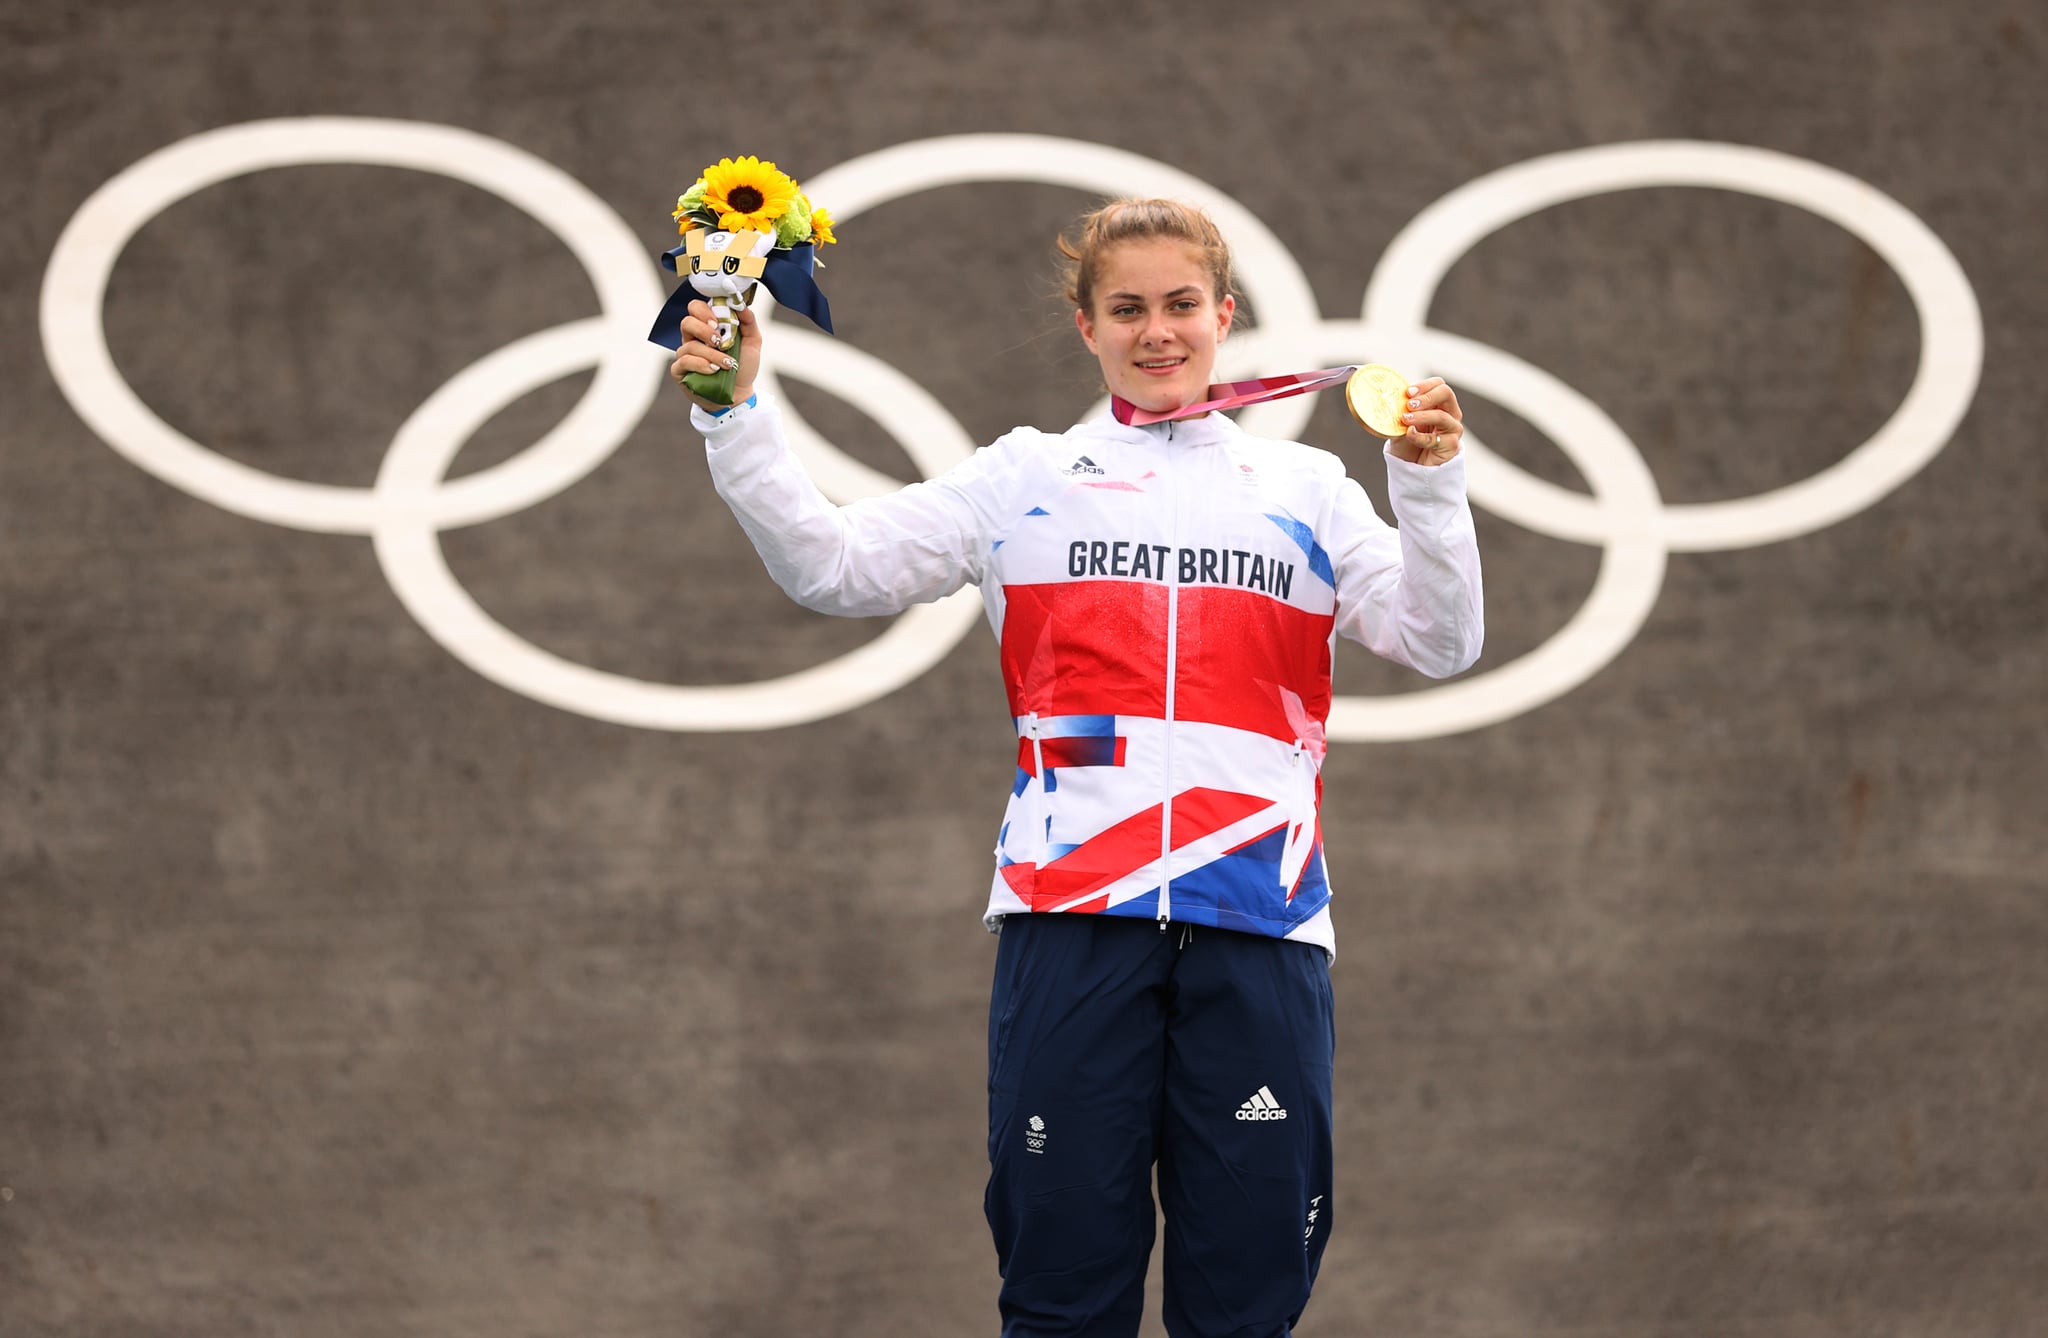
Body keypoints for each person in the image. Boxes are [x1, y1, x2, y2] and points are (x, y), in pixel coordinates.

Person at [668, 198, 1483, 1338]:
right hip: (1070, 915)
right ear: (1085, 325)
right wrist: (734, 415)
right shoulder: (1022, 480)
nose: (1158, 332)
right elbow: (830, 566)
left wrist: (1430, 486)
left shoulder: (1307, 493)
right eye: (1127, 309)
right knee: (1059, 1299)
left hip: (1261, 916)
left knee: (1244, 1307)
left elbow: (1442, 641)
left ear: (1224, 316)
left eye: (1181, 305)